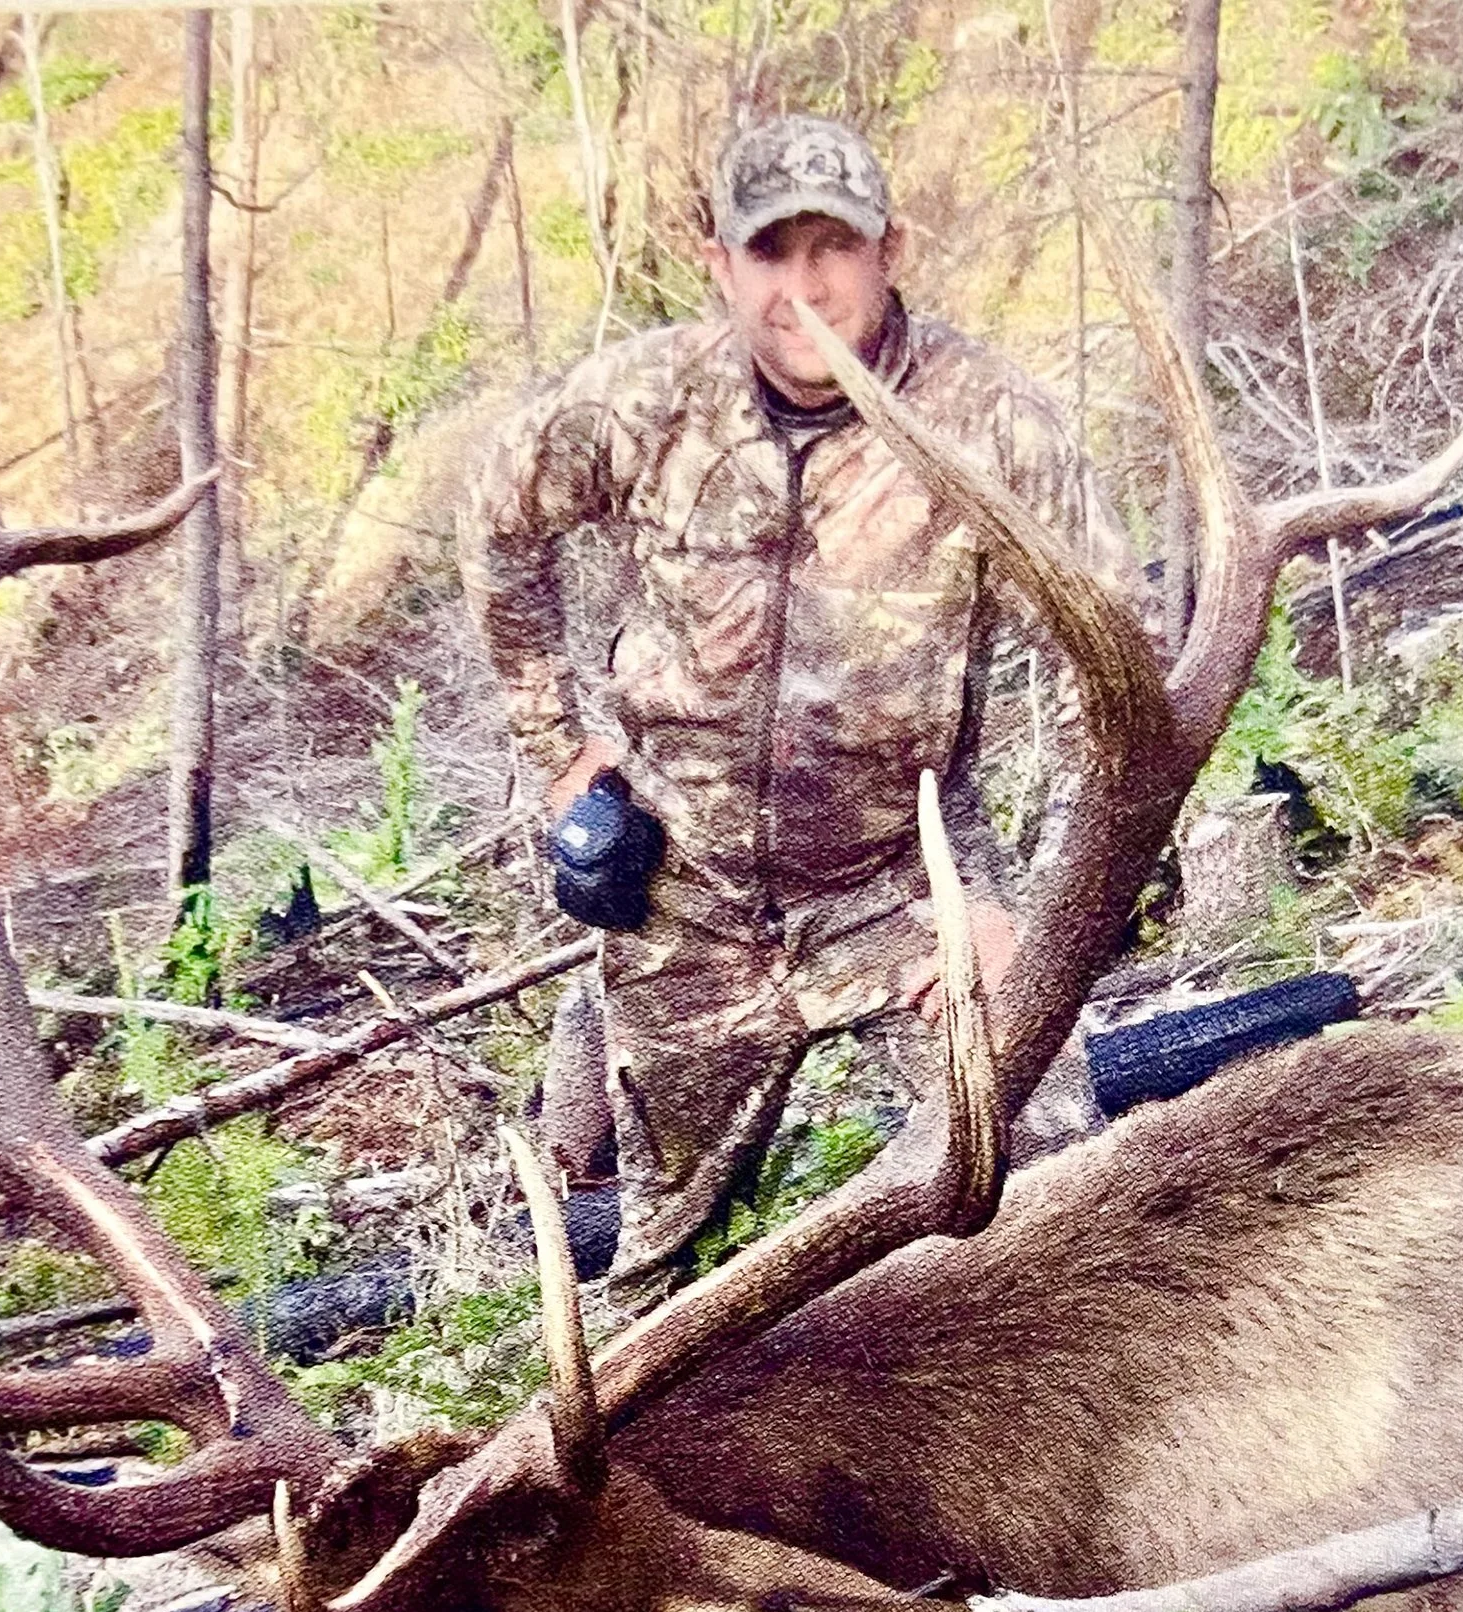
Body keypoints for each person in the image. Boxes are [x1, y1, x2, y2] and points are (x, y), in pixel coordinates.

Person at [459, 115, 1167, 1279]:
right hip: (681, 899)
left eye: (831, 249)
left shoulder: (987, 423)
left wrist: (1031, 914)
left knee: (1059, 1195)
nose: (804, 287)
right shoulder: (645, 404)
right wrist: (559, 749)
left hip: (906, 881)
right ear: (719, 264)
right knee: (656, 1274)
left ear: (890, 248)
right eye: (769, 254)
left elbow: (1128, 682)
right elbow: (497, 517)